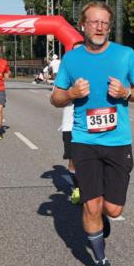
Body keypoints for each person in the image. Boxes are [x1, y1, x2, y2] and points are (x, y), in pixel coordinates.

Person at [51, 2, 134, 266]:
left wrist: (127, 92)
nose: (100, 27)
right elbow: (55, 98)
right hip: (85, 141)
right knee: (91, 206)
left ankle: (101, 216)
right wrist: (71, 92)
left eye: (104, 22)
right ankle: (101, 262)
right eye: (94, 22)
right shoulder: (71, 59)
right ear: (83, 25)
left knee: (113, 209)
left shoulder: (125, 55)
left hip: (118, 141)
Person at [59, 41, 85, 205]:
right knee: (73, 162)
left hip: (92, 126)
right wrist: (71, 93)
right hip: (70, 124)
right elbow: (56, 98)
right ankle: (77, 187)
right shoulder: (67, 73)